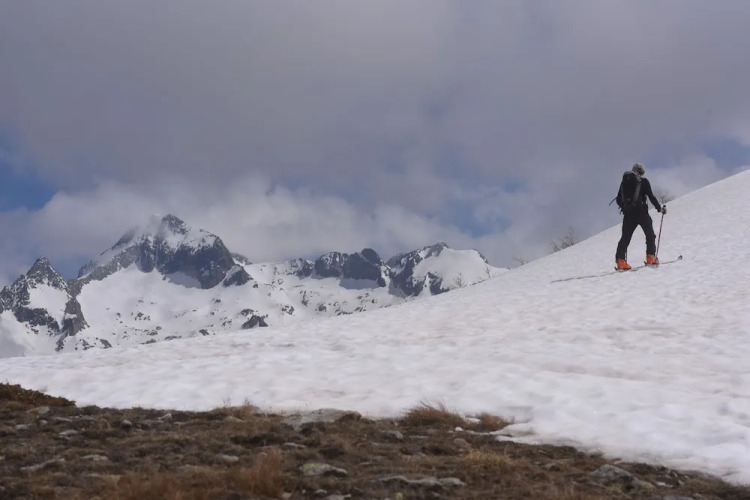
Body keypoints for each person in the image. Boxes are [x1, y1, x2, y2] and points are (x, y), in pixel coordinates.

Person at [614, 163, 667, 270]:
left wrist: (625, 208)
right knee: (650, 235)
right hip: (642, 213)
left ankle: (620, 261)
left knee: (625, 237)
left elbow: (618, 199)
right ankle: (650, 257)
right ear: (641, 172)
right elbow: (651, 197)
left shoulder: (624, 183)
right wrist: (659, 209)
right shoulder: (644, 182)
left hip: (628, 215)